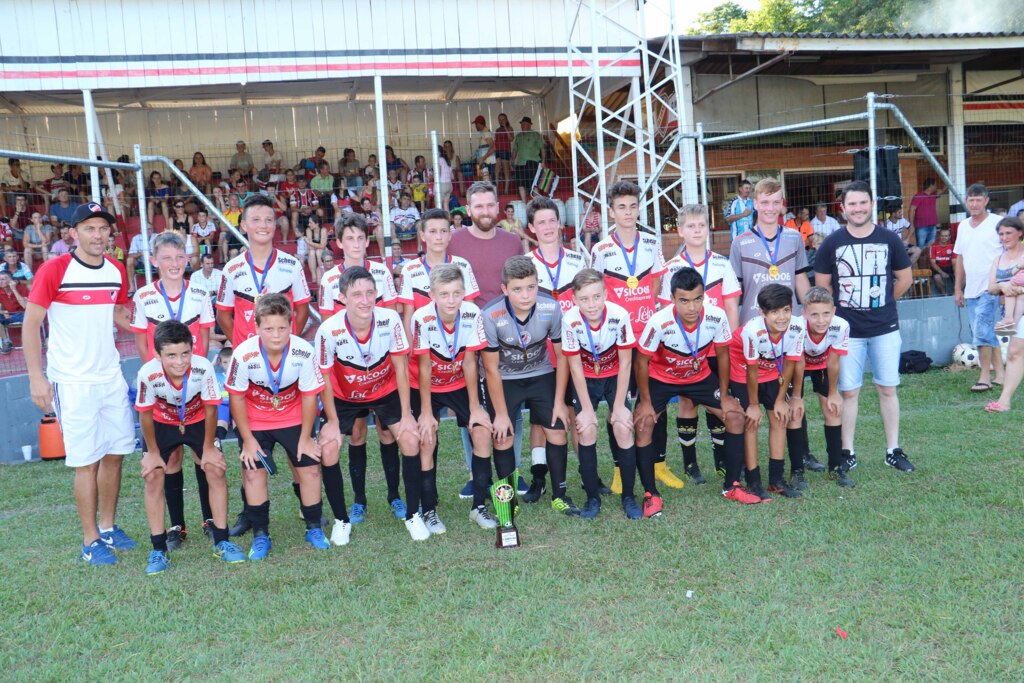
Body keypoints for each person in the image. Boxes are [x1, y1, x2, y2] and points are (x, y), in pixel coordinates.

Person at [23, 202, 138, 565]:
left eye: (103, 228)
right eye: (89, 228)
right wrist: (36, 377)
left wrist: (159, 331)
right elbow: (30, 325)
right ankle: (90, 542)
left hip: (110, 376)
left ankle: (107, 527)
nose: (98, 235)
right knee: (86, 461)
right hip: (71, 381)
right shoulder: (54, 269)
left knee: (116, 454)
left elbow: (119, 314)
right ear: (73, 233)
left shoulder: (117, 270)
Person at [635, 267, 761, 517]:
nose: (691, 308)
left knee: (735, 415)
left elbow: (723, 355)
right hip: (662, 379)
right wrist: (646, 402)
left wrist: (724, 395)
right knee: (644, 423)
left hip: (699, 376)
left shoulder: (716, 316)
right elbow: (641, 362)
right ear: (672, 298)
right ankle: (651, 494)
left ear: (704, 296)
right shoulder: (659, 321)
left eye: (697, 299)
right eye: (684, 300)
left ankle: (732, 486)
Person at [315, 267, 427, 541]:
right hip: (344, 397)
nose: (365, 300)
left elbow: (401, 369)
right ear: (342, 297)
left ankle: (413, 515)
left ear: (377, 294)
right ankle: (341, 520)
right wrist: (331, 422)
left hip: (384, 389)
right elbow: (325, 380)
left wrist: (406, 415)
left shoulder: (389, 319)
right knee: (329, 449)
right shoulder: (329, 330)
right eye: (356, 295)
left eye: (369, 293)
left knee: (410, 439)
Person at [814, 180, 915, 474]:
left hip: (885, 327)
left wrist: (884, 302)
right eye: (852, 204)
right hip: (848, 332)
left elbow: (904, 278)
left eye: (863, 203)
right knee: (849, 392)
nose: (858, 208)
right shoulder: (832, 242)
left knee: (887, 388)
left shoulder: (890, 239)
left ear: (872, 204)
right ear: (843, 209)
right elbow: (822, 288)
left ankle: (892, 450)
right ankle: (848, 452)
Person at [225, 294, 333, 558]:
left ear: (291, 325)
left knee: (309, 469)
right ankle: (261, 535)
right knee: (253, 473)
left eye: (282, 328)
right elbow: (236, 398)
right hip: (256, 420)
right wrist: (248, 439)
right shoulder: (243, 354)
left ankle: (313, 527)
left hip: (294, 416)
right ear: (257, 327)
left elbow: (310, 396)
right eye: (269, 328)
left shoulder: (303, 351)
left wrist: (306, 437)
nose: (276, 335)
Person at [135, 321, 245, 574]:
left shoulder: (203, 367)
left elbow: (210, 408)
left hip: (197, 421)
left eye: (185, 353)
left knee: (215, 468)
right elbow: (145, 415)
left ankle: (221, 540)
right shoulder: (147, 374)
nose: (179, 361)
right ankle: (158, 549)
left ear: (192, 349)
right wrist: (152, 453)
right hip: (162, 424)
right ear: (157, 354)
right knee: (153, 476)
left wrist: (208, 447)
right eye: (171, 355)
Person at [590, 181, 677, 488]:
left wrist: (654, 319)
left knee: (655, 401)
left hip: (649, 337)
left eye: (632, 206)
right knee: (621, 405)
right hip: (618, 340)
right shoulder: (601, 250)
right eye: (621, 207)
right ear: (611, 212)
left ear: (639, 208)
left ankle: (660, 464)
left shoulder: (652, 244)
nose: (627, 212)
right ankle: (618, 469)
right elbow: (595, 292)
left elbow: (658, 285)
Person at [318, 214, 403, 525]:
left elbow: (391, 316)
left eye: (360, 238)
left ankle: (394, 495)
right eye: (348, 239)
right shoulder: (330, 280)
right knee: (356, 433)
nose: (355, 244)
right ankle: (359, 501)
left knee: (387, 432)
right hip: (347, 374)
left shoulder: (380, 271)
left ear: (368, 241)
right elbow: (328, 325)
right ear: (339, 243)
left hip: (380, 370)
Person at [481, 256, 577, 516]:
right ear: (504, 289)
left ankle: (560, 495)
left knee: (557, 430)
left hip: (541, 374)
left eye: (531, 287)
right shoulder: (490, 314)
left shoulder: (551, 307)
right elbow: (490, 368)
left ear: (538, 285)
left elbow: (562, 357)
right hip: (504, 378)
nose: (525, 295)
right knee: (503, 437)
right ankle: (507, 502)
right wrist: (500, 415)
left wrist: (559, 402)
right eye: (517, 289)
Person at [448, 182, 527, 495]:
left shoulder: (511, 241)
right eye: (477, 206)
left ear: (498, 207)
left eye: (489, 205)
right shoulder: (454, 241)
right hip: (468, 335)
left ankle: (513, 470)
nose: (484, 212)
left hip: (506, 332)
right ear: (468, 210)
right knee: (474, 407)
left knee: (511, 406)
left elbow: (521, 285)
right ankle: (474, 473)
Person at [658, 204, 740, 485]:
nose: (697, 230)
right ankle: (690, 462)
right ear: (680, 230)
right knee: (688, 402)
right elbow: (666, 312)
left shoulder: (721, 262)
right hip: (685, 349)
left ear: (709, 228)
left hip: (715, 347)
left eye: (702, 225)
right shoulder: (670, 269)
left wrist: (730, 344)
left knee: (718, 400)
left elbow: (731, 306)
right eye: (691, 226)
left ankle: (720, 460)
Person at [409, 264, 491, 532]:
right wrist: (424, 412)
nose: (451, 300)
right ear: (432, 294)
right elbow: (424, 367)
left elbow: (470, 362)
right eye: (444, 294)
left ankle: (479, 507)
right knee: (427, 438)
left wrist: (475, 408)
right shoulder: (421, 318)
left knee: (480, 431)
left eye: (456, 293)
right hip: (427, 385)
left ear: (464, 292)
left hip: (458, 381)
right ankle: (429, 509)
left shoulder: (472, 312)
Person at [561, 268, 641, 519]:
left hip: (615, 375)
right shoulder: (570, 320)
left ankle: (629, 496)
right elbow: (574, 367)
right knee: (587, 429)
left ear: (606, 294)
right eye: (584, 299)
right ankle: (592, 498)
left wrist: (619, 406)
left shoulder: (620, 315)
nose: (591, 304)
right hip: (585, 377)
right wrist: (585, 409)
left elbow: (626, 363)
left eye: (596, 297)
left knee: (621, 427)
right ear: (575, 300)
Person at [729, 283, 806, 500]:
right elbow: (751, 370)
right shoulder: (752, 331)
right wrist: (753, 405)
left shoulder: (798, 326)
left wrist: (781, 399)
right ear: (762, 313)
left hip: (772, 370)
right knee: (751, 422)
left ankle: (776, 480)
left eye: (786, 310)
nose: (782, 317)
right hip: (744, 371)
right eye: (774, 312)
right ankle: (754, 482)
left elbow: (791, 363)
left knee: (780, 418)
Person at [216, 194, 311, 350]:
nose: (263, 225)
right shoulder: (232, 269)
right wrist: (241, 346)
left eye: (268, 220)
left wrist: (288, 340)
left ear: (275, 225)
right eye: (256, 220)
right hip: (248, 358)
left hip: (284, 354)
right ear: (244, 225)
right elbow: (223, 316)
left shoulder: (292, 265)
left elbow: (303, 310)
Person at [729, 177, 811, 326]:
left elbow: (801, 279)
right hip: (753, 323)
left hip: (790, 321)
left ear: (781, 204)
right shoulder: (739, 243)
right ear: (755, 203)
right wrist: (734, 332)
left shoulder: (794, 237)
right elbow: (734, 291)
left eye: (775, 203)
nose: (770, 208)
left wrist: (810, 315)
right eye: (765, 202)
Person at [798, 286, 853, 487]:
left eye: (826, 314)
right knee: (795, 410)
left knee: (832, 409)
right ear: (804, 313)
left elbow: (834, 361)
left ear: (834, 312)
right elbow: (796, 362)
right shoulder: (796, 326)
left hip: (823, 363)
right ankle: (801, 460)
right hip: (797, 364)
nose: (821, 320)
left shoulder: (841, 325)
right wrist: (795, 396)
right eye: (814, 315)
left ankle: (835, 467)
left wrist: (833, 393)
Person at [954, 183, 1005, 393]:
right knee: (986, 332)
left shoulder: (998, 223)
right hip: (972, 290)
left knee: (982, 334)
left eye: (978, 200)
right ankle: (1001, 375)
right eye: (971, 200)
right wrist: (958, 288)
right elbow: (960, 257)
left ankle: (984, 377)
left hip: (992, 288)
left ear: (986, 201)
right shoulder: (963, 226)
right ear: (966, 202)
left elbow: (1010, 253)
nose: (974, 204)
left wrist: (1004, 287)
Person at [988, 217, 1024, 334]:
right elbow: (991, 288)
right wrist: (1002, 285)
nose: (1004, 238)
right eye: (1001, 234)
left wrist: (1018, 289)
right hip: (1006, 319)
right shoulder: (997, 260)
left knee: (1015, 351)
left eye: (1008, 233)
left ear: (1020, 232)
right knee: (1011, 352)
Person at [511, 116, 545, 202]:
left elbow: (542, 148)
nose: (523, 126)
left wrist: (543, 161)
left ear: (530, 125)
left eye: (525, 124)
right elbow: (515, 150)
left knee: (534, 184)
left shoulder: (536, 135)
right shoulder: (518, 136)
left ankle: (537, 203)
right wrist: (512, 160)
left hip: (533, 162)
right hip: (520, 163)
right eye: (522, 124)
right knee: (520, 184)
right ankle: (524, 203)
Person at [909, 178, 941, 252]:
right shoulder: (918, 196)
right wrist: (911, 224)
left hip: (932, 226)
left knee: (931, 248)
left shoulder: (934, 194)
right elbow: (911, 210)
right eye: (935, 185)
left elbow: (941, 191)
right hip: (921, 227)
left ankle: (929, 263)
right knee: (920, 248)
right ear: (931, 186)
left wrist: (948, 183)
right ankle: (921, 264)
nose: (936, 187)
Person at [0, 271, 27, 353]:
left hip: (22, 314)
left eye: (3, 279)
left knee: (27, 316)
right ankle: (7, 342)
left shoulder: (21, 288)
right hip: (8, 315)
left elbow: (25, 306)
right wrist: (2, 312)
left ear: (11, 280)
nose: (0, 281)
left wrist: (14, 290)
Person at [929, 227, 955, 295]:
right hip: (938, 267)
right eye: (942, 236)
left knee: (960, 274)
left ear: (949, 237)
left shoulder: (952, 246)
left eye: (946, 236)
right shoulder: (933, 246)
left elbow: (954, 263)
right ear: (939, 236)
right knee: (937, 277)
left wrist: (956, 272)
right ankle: (944, 294)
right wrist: (942, 273)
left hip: (950, 267)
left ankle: (955, 293)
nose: (944, 238)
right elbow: (933, 263)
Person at [494, 113, 515, 195]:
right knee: (497, 170)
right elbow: (496, 141)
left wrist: (506, 128)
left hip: (506, 150)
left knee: (506, 170)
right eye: (499, 119)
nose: (501, 121)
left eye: (503, 119)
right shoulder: (497, 130)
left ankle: (506, 190)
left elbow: (511, 139)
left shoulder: (510, 128)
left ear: (506, 120)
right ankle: (496, 189)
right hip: (498, 151)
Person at [472, 116, 496, 182]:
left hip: (488, 162)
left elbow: (493, 147)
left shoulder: (486, 132)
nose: (475, 126)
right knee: (487, 182)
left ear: (479, 124)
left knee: (489, 182)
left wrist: (483, 158)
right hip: (485, 161)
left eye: (476, 124)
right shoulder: (483, 132)